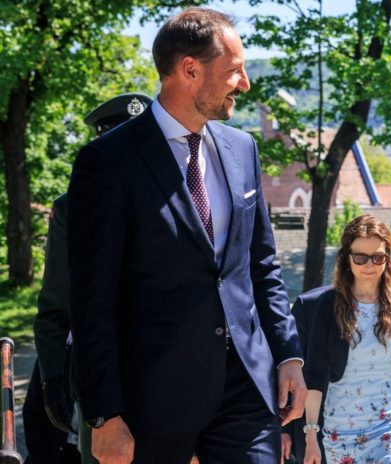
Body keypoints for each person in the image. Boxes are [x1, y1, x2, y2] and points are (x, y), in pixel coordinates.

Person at [66, 7, 306, 463]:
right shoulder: (108, 162)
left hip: (245, 391)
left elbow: (261, 266)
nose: (245, 84)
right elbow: (91, 299)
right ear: (189, 70)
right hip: (152, 401)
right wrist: (104, 415)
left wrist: (288, 355)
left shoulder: (243, 149)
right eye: (234, 71)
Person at [24, 93, 151, 464]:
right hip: (103, 385)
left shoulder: (185, 197)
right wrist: (52, 378)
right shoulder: (73, 207)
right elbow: (55, 306)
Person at [303, 215, 391, 464]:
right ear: (347, 258)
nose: (369, 265)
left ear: (387, 259)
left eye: (378, 257)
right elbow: (315, 375)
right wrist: (310, 437)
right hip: (341, 430)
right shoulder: (327, 306)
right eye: (360, 257)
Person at [280, 285, 332, 464]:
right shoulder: (309, 304)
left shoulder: (390, 301)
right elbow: (288, 368)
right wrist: (283, 430)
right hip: (312, 423)